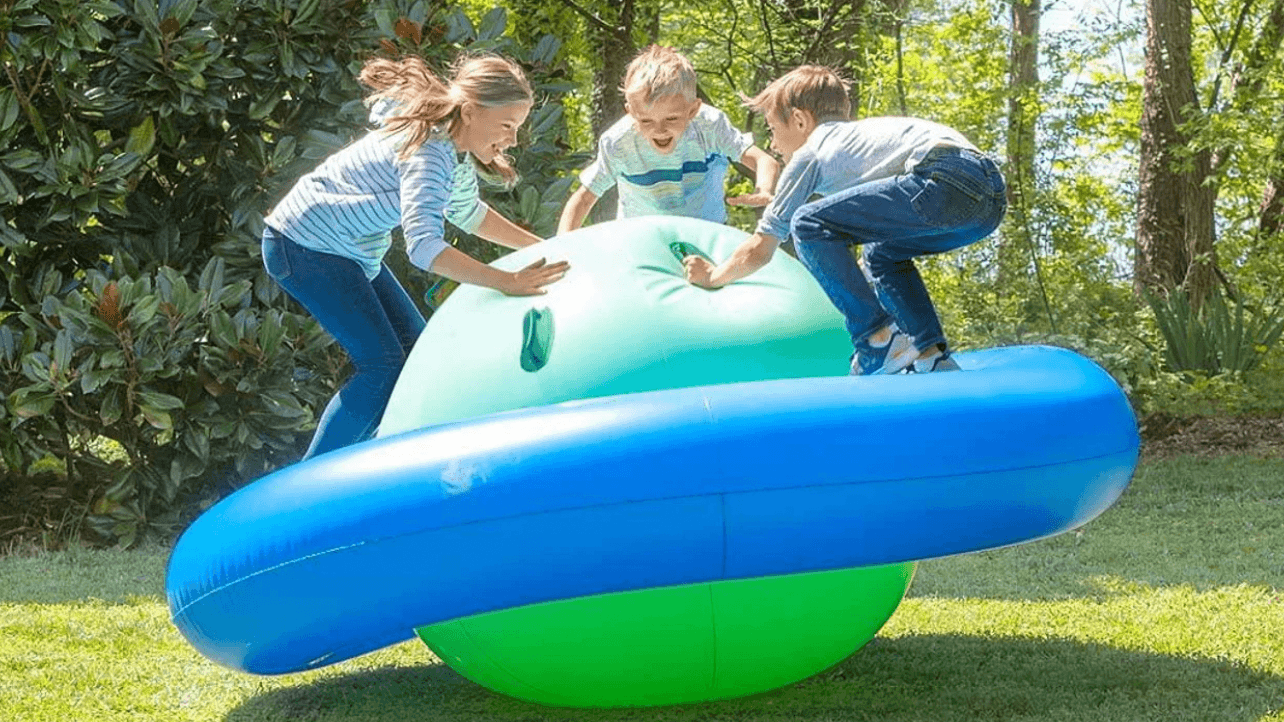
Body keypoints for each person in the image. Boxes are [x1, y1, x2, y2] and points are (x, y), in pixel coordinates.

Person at [262, 54, 568, 459]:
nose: (512, 140)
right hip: (303, 245)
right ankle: (308, 483)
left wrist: (543, 248)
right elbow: (424, 248)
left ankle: (376, 461)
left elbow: (470, 215)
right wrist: (506, 281)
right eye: (507, 126)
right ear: (472, 112)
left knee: (417, 355)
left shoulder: (455, 154)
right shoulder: (431, 151)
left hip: (350, 251)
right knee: (383, 365)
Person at [682, 65, 1006, 375]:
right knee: (882, 254)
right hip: (988, 200)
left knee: (806, 223)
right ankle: (929, 353)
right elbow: (857, 209)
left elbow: (761, 248)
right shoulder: (856, 141)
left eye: (772, 129)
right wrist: (781, 199)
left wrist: (713, 276)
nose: (772, 144)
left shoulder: (814, 148)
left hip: (943, 179)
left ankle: (876, 338)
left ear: (798, 120)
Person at [557, 45, 779, 233]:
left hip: (704, 231)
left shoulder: (709, 126)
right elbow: (583, 199)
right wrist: (563, 248)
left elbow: (764, 161)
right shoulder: (618, 143)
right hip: (640, 235)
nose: (659, 130)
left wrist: (764, 189)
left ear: (692, 111)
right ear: (631, 112)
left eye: (671, 119)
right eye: (646, 121)